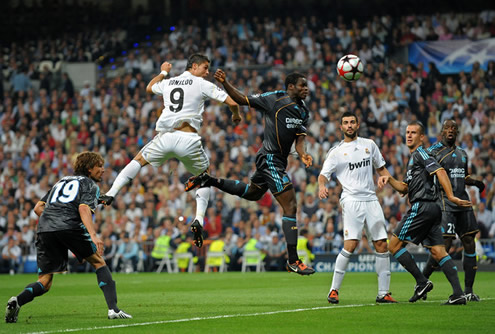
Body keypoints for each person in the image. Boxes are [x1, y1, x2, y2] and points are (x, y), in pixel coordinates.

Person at [99, 54, 240, 250]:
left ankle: (112, 192)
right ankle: (199, 219)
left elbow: (149, 87)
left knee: (138, 160)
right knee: (204, 177)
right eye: (205, 68)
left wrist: (163, 72)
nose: (207, 72)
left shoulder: (170, 82)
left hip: (165, 137)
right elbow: (233, 103)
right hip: (188, 138)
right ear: (195, 66)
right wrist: (236, 115)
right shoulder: (201, 83)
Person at [184, 69, 315, 275]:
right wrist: (225, 83)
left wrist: (304, 154)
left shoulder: (303, 111)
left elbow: (299, 140)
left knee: (252, 193)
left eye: (307, 85)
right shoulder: (274, 99)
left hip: (278, 161)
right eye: (302, 85)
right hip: (270, 158)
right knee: (290, 205)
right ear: (291, 86)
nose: (306, 89)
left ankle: (209, 180)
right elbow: (242, 99)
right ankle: (293, 260)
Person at [5, 152, 131, 324]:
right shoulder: (90, 184)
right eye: (99, 166)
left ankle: (17, 301)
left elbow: (38, 208)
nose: (103, 170)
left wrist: (54, 220)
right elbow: (84, 209)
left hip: (45, 228)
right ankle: (114, 310)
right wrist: (93, 235)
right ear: (89, 169)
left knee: (45, 281)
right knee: (98, 262)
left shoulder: (61, 181)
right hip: (69, 225)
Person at [378, 121, 471, 305]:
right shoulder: (413, 158)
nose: (409, 135)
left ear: (422, 137)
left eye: (414, 132)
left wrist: (451, 196)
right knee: (438, 251)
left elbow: (441, 171)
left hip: (422, 206)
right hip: (433, 209)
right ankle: (459, 294)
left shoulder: (421, 153)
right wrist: (389, 179)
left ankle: (422, 282)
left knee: (394, 245)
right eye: (407, 132)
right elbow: (404, 188)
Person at [318, 111, 397, 304]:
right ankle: (333, 290)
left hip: (371, 199)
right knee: (351, 244)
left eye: (352, 122)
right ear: (341, 127)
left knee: (381, 244)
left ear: (358, 124)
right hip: (351, 199)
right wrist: (321, 185)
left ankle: (383, 293)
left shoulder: (369, 145)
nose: (349, 125)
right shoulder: (336, 152)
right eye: (345, 123)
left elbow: (381, 169)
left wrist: (388, 179)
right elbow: (323, 175)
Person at [421, 120, 485, 301]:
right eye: (447, 128)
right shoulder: (433, 152)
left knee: (469, 242)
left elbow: (462, 177)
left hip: (463, 203)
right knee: (444, 247)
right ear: (441, 132)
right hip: (444, 203)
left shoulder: (462, 153)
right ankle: (423, 281)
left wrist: (476, 182)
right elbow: (426, 174)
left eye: (453, 129)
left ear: (457, 132)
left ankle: (469, 290)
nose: (450, 131)